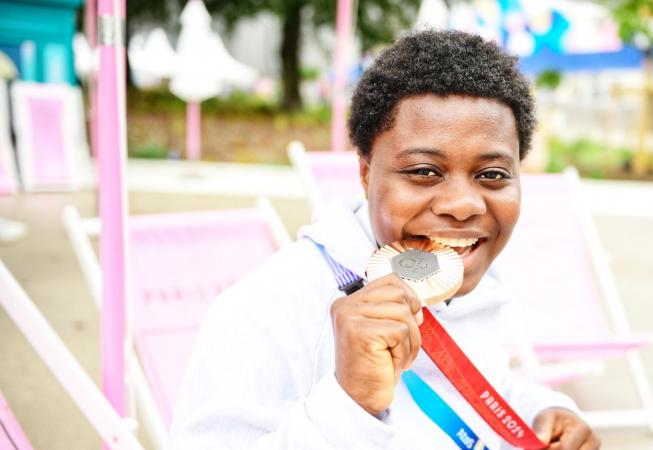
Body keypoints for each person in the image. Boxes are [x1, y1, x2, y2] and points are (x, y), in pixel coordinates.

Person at [171, 30, 600, 450]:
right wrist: (350, 402)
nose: (463, 205)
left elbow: (469, 384)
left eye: (491, 175)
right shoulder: (267, 310)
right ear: (364, 172)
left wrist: (539, 412)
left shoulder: (477, 280)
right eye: (424, 171)